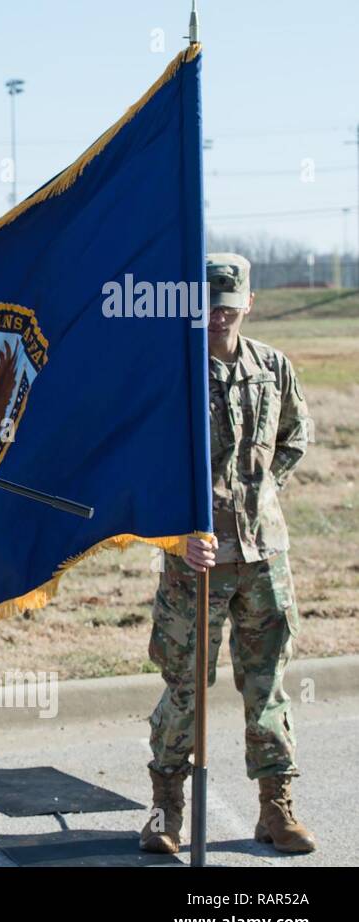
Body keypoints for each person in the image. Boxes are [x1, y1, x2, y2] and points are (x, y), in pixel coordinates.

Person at [140, 252, 316, 855]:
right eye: (207, 307)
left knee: (266, 686)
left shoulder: (273, 367)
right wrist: (176, 530)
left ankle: (276, 809)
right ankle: (167, 811)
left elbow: (298, 432)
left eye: (226, 306)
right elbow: (147, 468)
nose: (217, 318)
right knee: (185, 686)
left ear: (247, 304)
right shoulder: (175, 375)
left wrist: (264, 490)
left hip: (264, 557)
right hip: (196, 561)